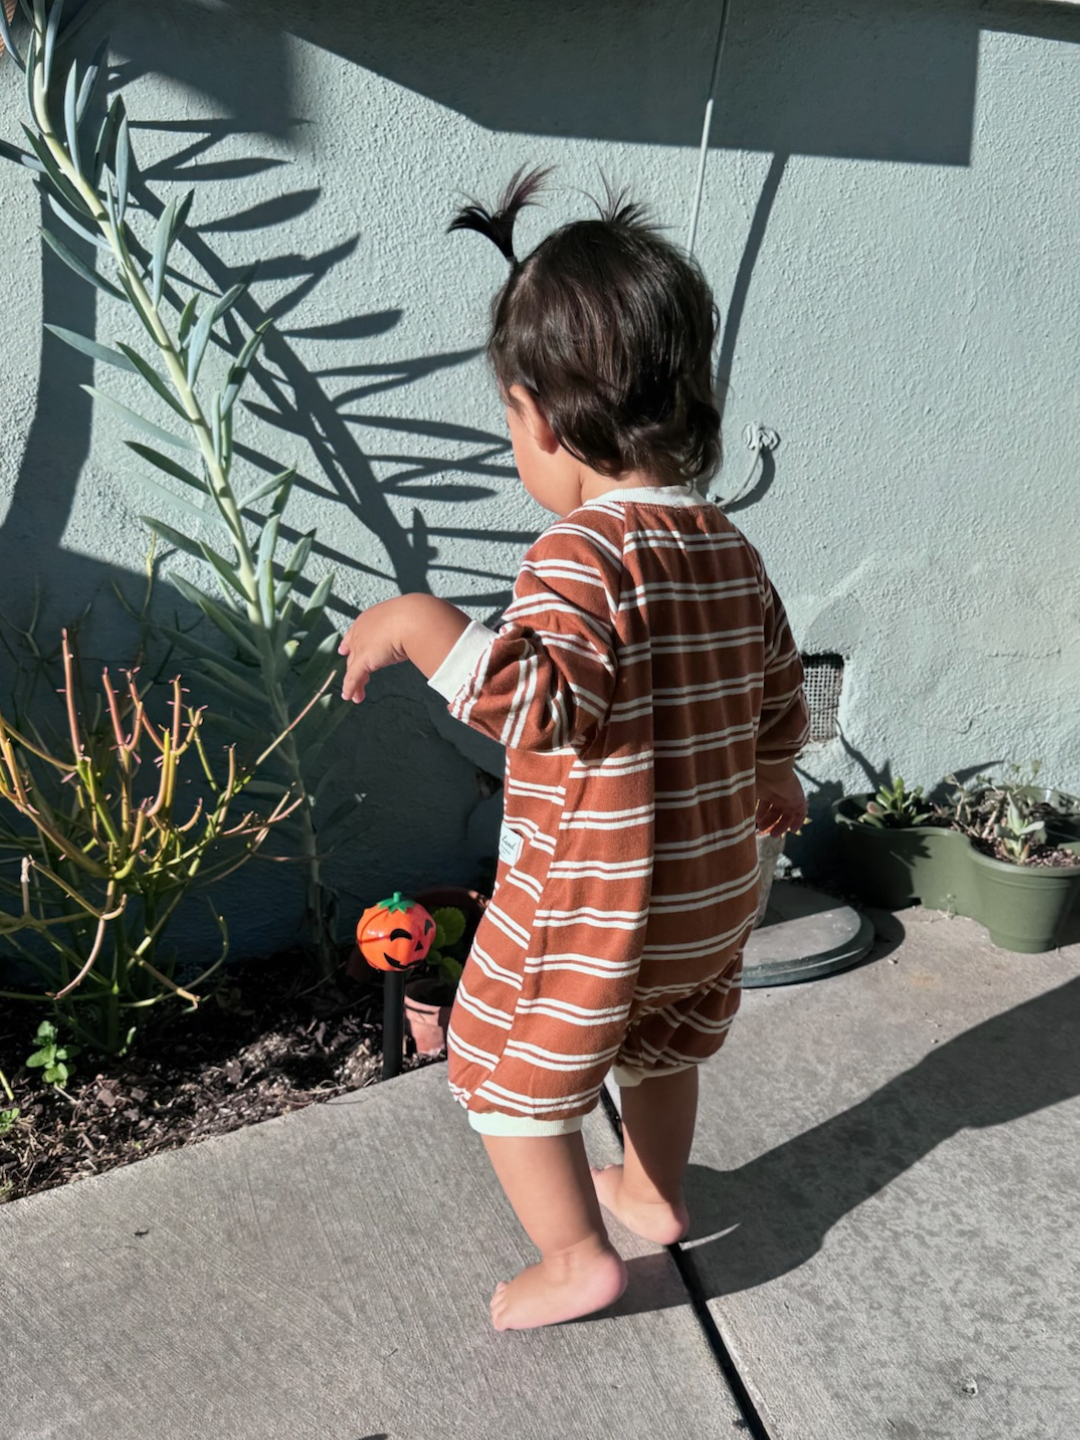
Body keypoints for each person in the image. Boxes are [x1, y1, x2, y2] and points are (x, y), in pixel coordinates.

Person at [338, 169, 809, 1331]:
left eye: (509, 419)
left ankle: (574, 1257)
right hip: (705, 896)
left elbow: (537, 704)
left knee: (497, 1059)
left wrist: (420, 624)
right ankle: (652, 1193)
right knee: (660, 1040)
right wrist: (774, 773)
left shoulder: (579, 556)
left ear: (540, 417)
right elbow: (775, 692)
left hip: (591, 901)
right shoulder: (726, 548)